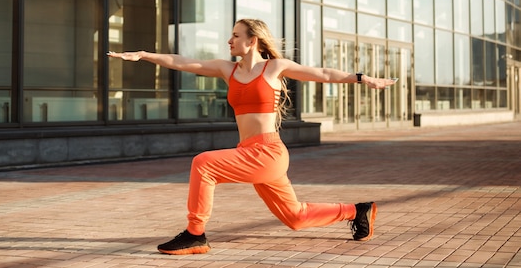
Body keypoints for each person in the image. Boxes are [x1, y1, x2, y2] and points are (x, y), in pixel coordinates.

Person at [108, 18, 397, 255]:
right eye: (230, 36)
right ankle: (357, 211)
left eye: (235, 36)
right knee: (295, 217)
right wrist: (145, 55)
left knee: (204, 163)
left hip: (268, 152)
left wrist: (362, 78)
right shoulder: (227, 69)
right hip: (249, 151)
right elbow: (184, 62)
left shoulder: (274, 68)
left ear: (252, 40)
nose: (229, 41)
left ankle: (195, 233)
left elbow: (321, 72)